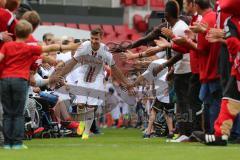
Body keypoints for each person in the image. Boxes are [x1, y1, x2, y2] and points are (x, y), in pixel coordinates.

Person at [0, 20, 80, 149]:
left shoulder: (6, 46)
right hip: (20, 80)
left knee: (8, 113)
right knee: (18, 113)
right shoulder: (29, 48)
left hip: (5, 80)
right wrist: (70, 47)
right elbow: (50, 48)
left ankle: (7, 142)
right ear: (28, 34)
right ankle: (16, 142)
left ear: (15, 32)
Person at [54, 28, 134, 140]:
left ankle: (86, 132)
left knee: (91, 107)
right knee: (81, 105)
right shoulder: (83, 47)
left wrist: (126, 83)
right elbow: (72, 63)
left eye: (96, 39)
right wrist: (61, 76)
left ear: (101, 38)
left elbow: (115, 69)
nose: (93, 41)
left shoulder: (105, 51)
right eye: (92, 38)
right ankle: (82, 123)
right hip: (83, 76)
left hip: (97, 78)